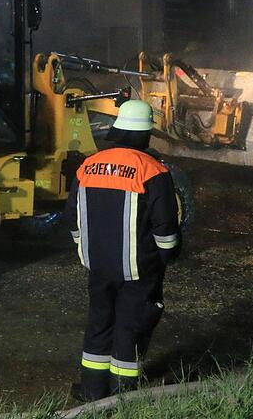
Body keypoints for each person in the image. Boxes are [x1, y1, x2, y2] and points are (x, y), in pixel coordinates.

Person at [66, 99, 181, 401]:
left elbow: (72, 218)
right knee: (129, 327)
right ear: (146, 134)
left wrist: (84, 251)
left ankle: (92, 391)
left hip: (98, 265)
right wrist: (166, 257)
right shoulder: (152, 170)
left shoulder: (87, 165)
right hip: (137, 269)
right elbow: (165, 227)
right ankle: (123, 394)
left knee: (99, 323)